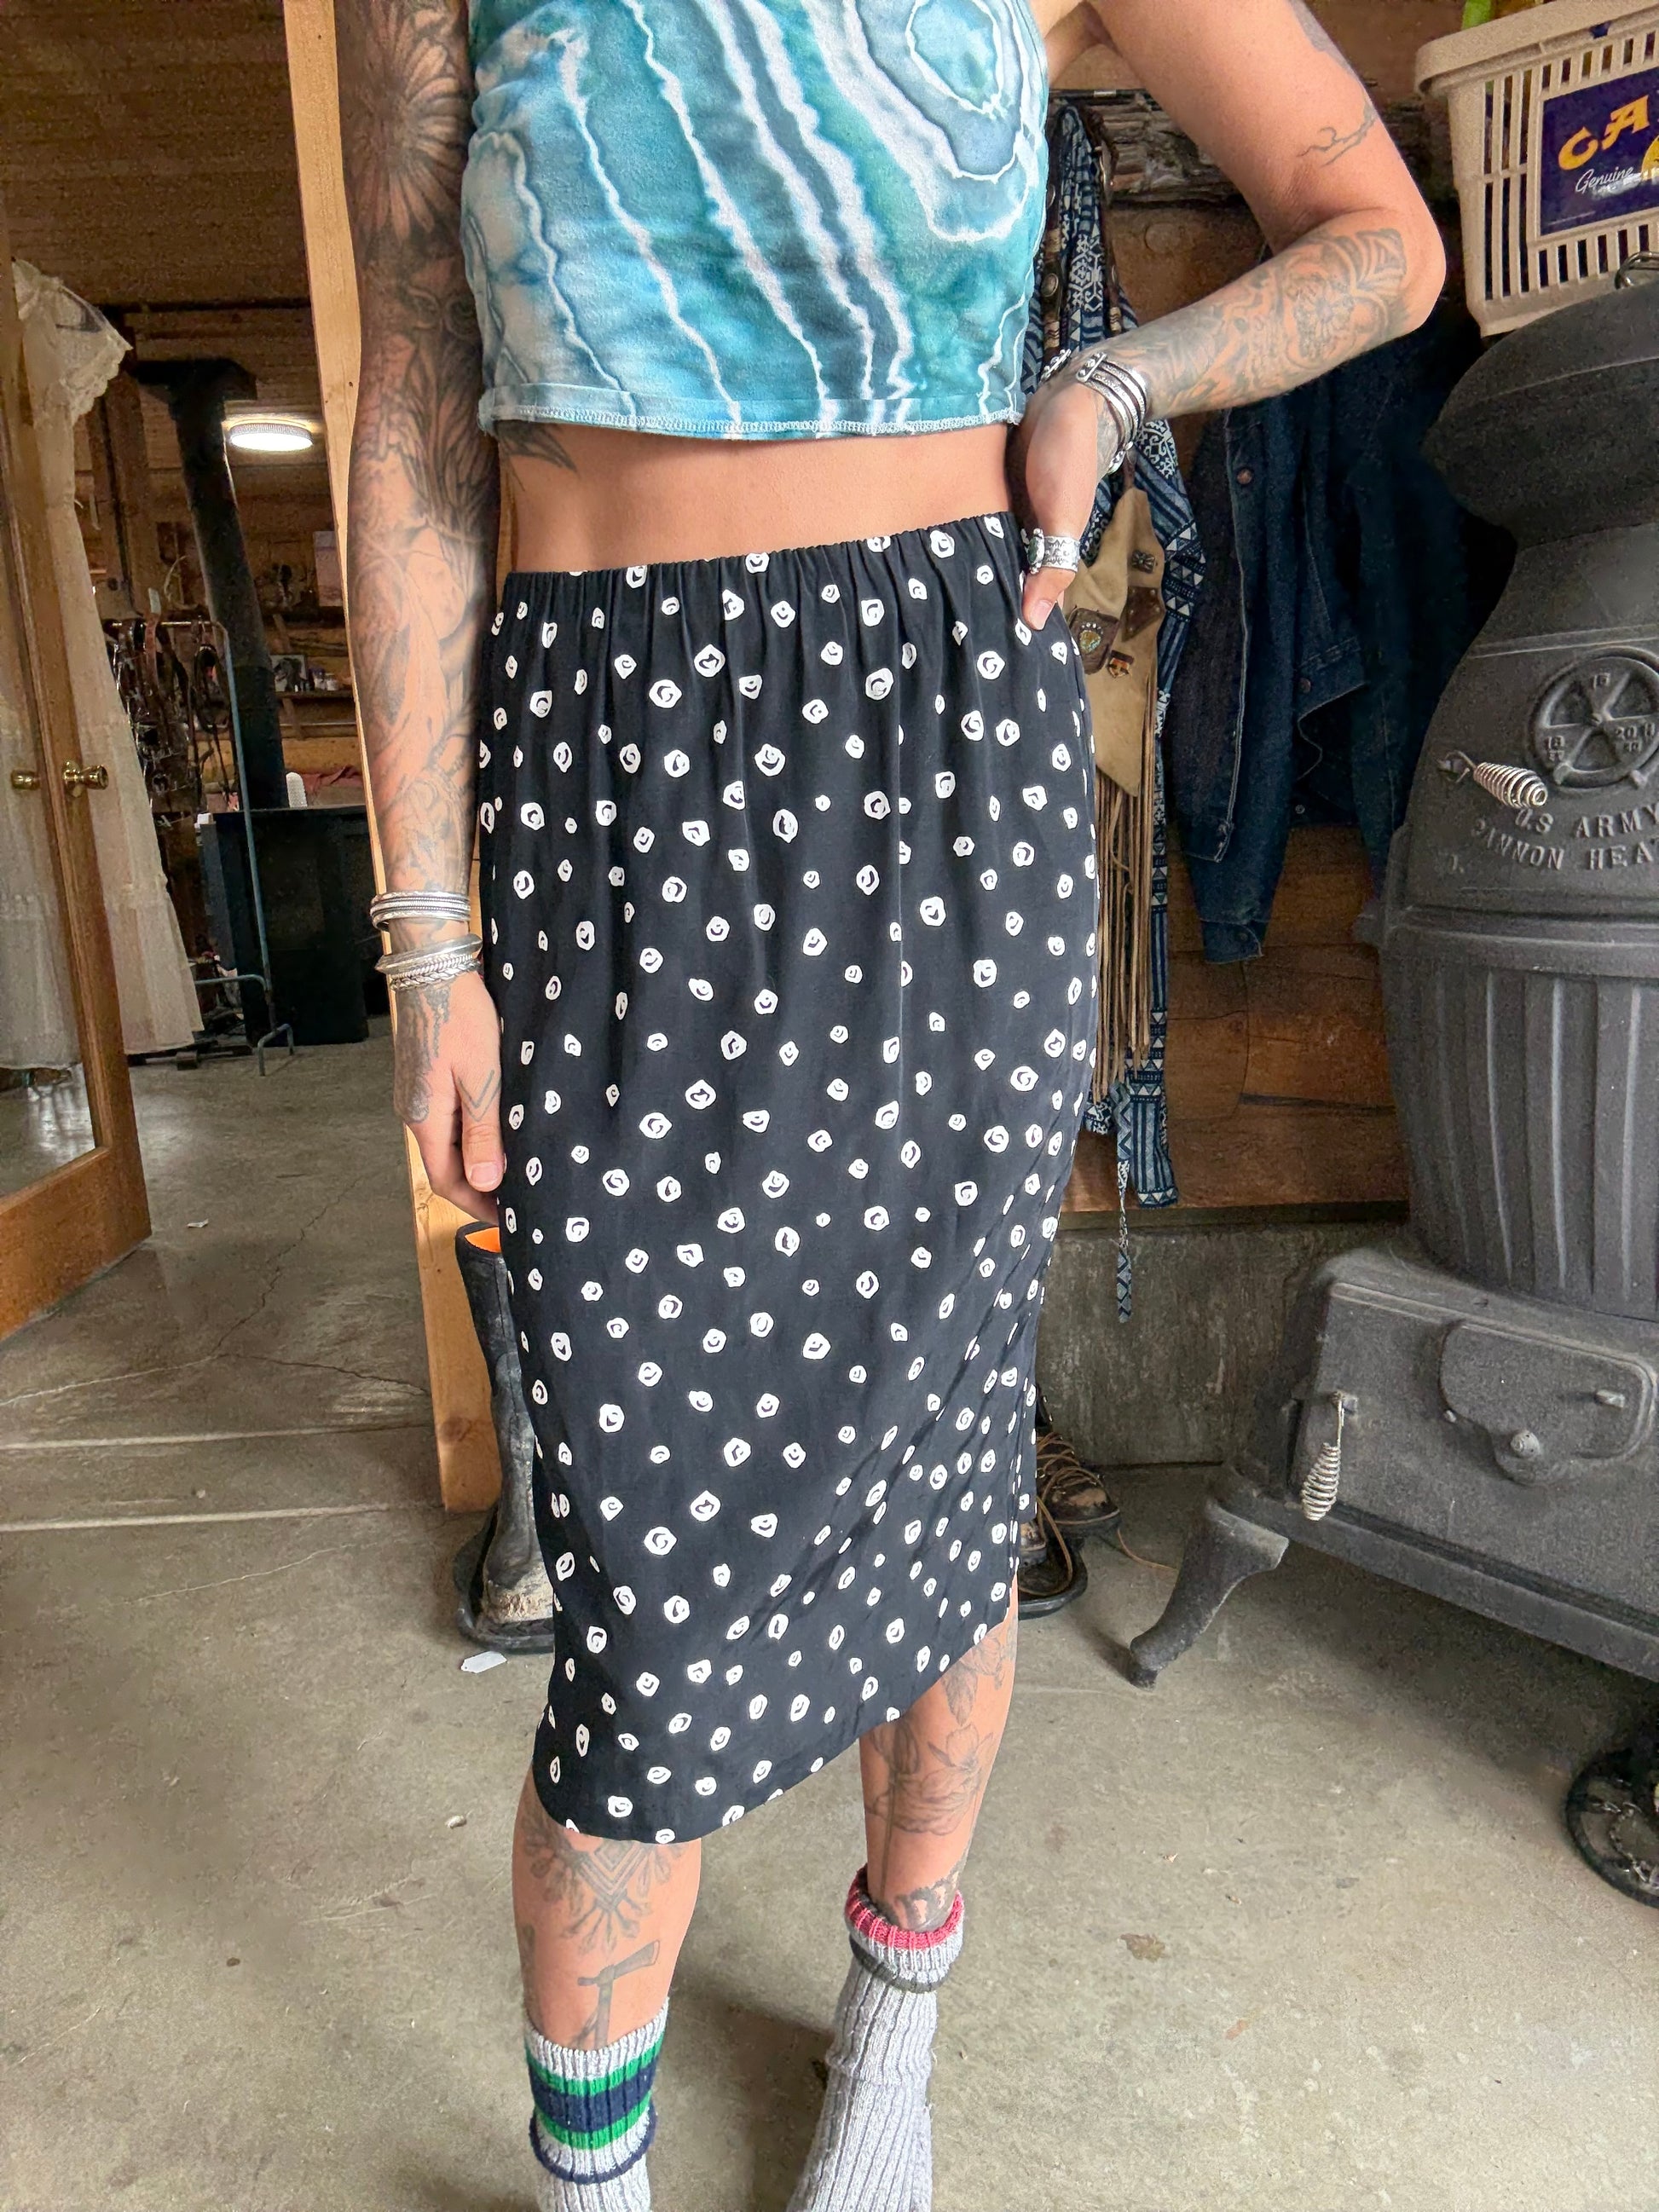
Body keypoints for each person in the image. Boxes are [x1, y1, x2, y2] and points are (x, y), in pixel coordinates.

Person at [335, 3, 1442, 2204]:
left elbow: (1379, 239)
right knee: (636, 1559)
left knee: (942, 1472)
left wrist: (1114, 380)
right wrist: (427, 933)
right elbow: (416, 399)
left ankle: (895, 2028)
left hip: (931, 743)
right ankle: (591, 2176)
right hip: (604, 764)